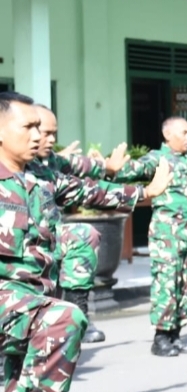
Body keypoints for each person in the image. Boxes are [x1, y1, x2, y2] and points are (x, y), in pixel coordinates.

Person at [0, 92, 170, 392]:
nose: (39, 135)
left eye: (42, 128)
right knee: (65, 319)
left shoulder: (41, 180)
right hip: (11, 305)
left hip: (31, 314)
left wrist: (147, 193)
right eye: (29, 127)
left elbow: (96, 193)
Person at [113, 117, 187, 357]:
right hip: (167, 235)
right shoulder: (156, 159)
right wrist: (112, 168)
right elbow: (126, 173)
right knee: (166, 284)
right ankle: (161, 337)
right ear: (168, 135)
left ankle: (176, 335)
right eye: (184, 132)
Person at [32, 104, 130, 344]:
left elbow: (86, 167)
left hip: (47, 241)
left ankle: (78, 318)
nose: (49, 139)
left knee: (82, 234)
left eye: (53, 133)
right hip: (16, 249)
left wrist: (109, 167)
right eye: (44, 132)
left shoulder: (52, 162)